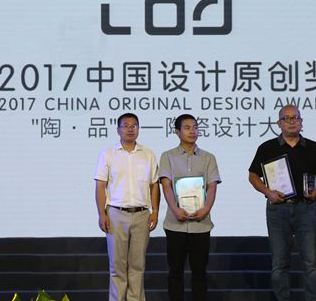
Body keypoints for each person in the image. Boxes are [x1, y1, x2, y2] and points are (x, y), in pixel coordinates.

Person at [248, 104, 316, 301]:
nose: (292, 121)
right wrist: (268, 192)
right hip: (277, 209)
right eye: (286, 118)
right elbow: (253, 176)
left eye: (295, 118)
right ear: (279, 123)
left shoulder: (313, 148)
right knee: (279, 264)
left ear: (301, 122)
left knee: (311, 263)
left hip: (306, 208)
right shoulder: (267, 147)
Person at [95, 113, 160, 301]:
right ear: (118, 130)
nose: (130, 129)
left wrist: (155, 211)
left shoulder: (148, 154)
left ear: (138, 129)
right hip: (116, 214)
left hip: (141, 214)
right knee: (117, 266)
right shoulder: (108, 153)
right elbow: (100, 185)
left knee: (137, 266)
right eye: (125, 125)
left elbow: (154, 185)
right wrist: (102, 214)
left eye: (134, 126)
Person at [159, 114, 221, 301]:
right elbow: (166, 186)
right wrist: (175, 209)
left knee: (199, 273)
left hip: (201, 224)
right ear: (177, 132)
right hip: (175, 224)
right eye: (187, 127)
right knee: (175, 271)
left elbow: (212, 186)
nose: (192, 131)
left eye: (195, 127)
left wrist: (206, 209)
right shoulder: (167, 156)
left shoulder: (208, 157)